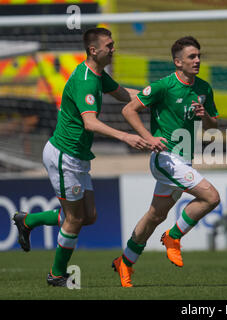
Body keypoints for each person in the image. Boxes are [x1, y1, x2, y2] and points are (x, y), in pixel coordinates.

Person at [12, 27, 151, 287]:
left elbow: (123, 94)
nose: (113, 49)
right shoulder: (86, 79)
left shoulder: (98, 75)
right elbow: (90, 123)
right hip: (65, 156)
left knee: (89, 216)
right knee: (75, 219)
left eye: (113, 44)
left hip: (77, 156)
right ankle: (56, 275)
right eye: (109, 45)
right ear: (93, 50)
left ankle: (28, 221)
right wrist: (127, 136)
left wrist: (155, 95)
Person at [112, 36, 221, 287]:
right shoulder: (163, 86)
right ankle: (173, 237)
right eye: (192, 57)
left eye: (199, 56)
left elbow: (214, 124)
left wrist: (205, 117)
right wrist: (149, 138)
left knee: (154, 216)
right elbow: (128, 110)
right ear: (177, 62)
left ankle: (125, 262)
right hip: (165, 159)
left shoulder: (203, 88)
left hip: (184, 161)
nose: (197, 60)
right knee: (211, 197)